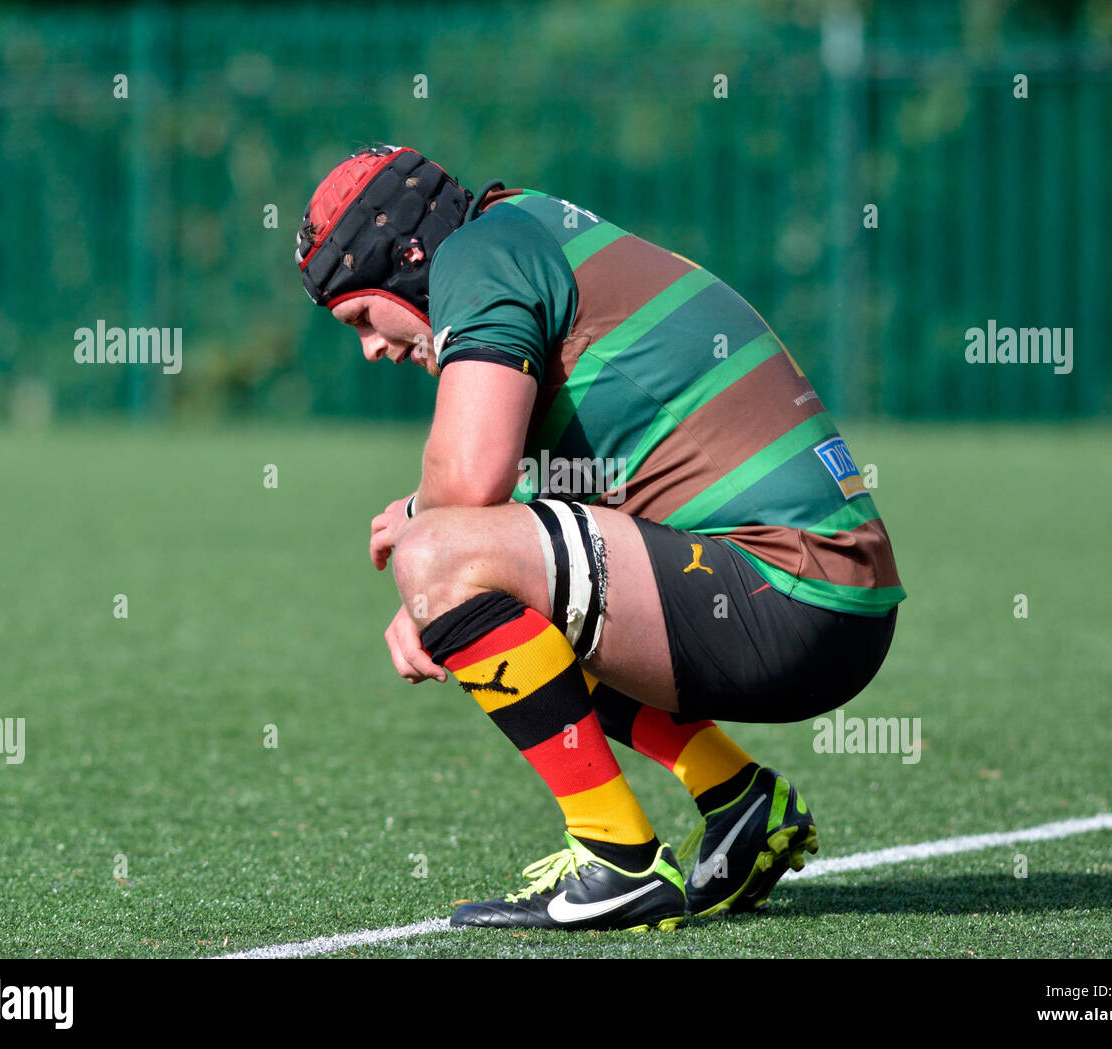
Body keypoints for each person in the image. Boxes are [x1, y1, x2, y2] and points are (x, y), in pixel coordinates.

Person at [296, 144, 905, 931]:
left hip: (790, 594)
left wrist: (424, 547)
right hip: (820, 594)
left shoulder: (478, 256)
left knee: (436, 553)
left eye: (360, 316)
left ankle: (618, 861)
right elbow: (536, 502)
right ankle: (738, 799)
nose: (372, 346)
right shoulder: (523, 228)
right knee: (478, 566)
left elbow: (469, 482)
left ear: (406, 257)